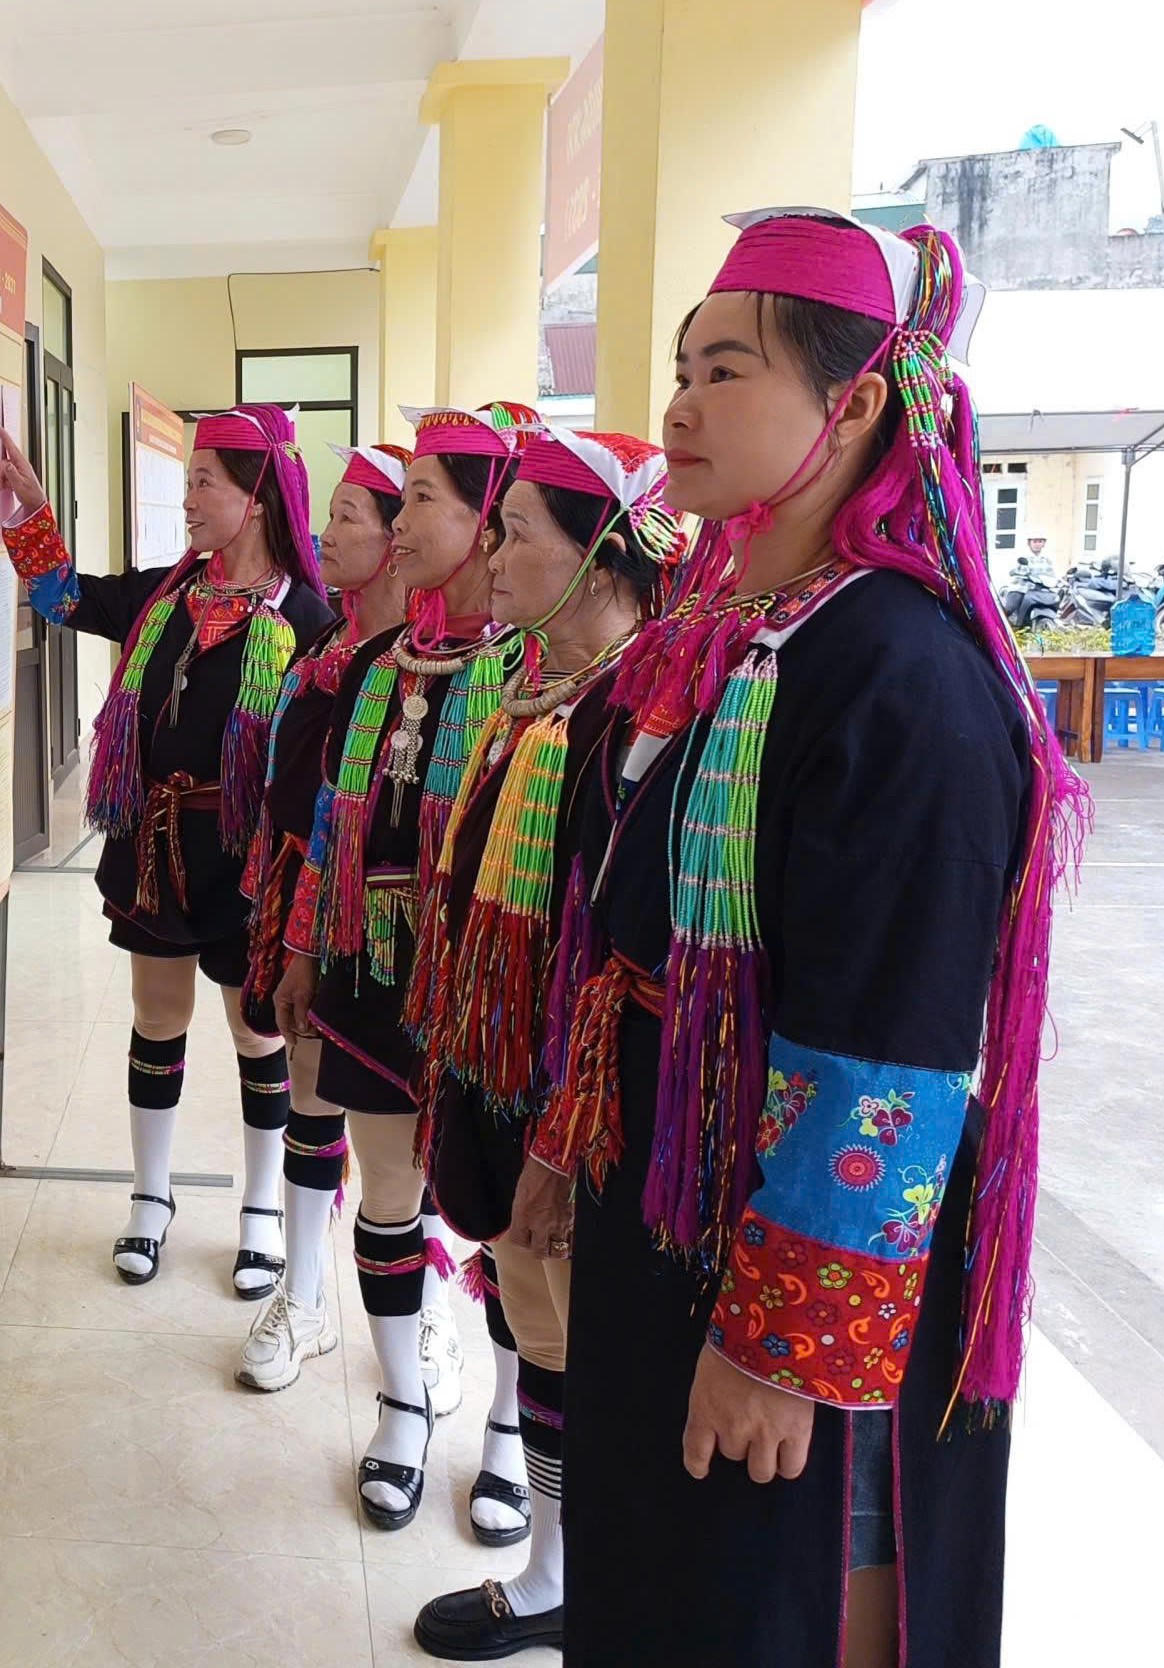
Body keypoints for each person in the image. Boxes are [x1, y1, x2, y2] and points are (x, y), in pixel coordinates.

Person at [527, 209, 1083, 1668]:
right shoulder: (714, 641)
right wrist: (565, 1145)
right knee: (661, 1584)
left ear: (855, 405)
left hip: (795, 1268)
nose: (678, 407)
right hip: (667, 1200)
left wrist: (784, 1346)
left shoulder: (902, 675)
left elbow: (890, 1042)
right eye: (679, 369)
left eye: (725, 371)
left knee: (775, 1601)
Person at [406, 426, 683, 1660]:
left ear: (602, 558)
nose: (491, 556)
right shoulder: (533, 691)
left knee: (585, 1342)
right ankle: (555, 1570)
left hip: (581, 1105)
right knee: (536, 1330)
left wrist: (564, 1134)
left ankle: (590, 1584)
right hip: (508, 1074)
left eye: (516, 533)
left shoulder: (646, 716)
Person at [0, 407, 335, 1295]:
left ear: (255, 497)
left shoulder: (308, 618)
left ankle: (259, 1209)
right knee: (156, 1019)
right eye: (187, 481)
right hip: (154, 846)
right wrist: (29, 513)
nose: (186, 499)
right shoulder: (164, 598)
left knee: (255, 1031)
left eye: (202, 482)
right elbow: (61, 598)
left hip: (247, 859)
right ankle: (150, 1195)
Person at [271, 405, 528, 1530]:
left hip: (489, 985)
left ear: (485, 521)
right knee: (385, 1191)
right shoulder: (376, 663)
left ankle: (510, 1424)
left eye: (424, 497)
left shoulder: (532, 673)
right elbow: (333, 820)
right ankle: (402, 1403)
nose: (402, 520)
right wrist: (300, 947)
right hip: (370, 966)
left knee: (505, 1216)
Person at [234, 442, 421, 1392]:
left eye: (350, 515)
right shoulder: (319, 645)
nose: (326, 531)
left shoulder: (433, 663)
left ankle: (424, 1313)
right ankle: (301, 1290)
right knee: (307, 1087)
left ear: (397, 538)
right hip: (305, 898)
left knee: (407, 1130)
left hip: (394, 926)